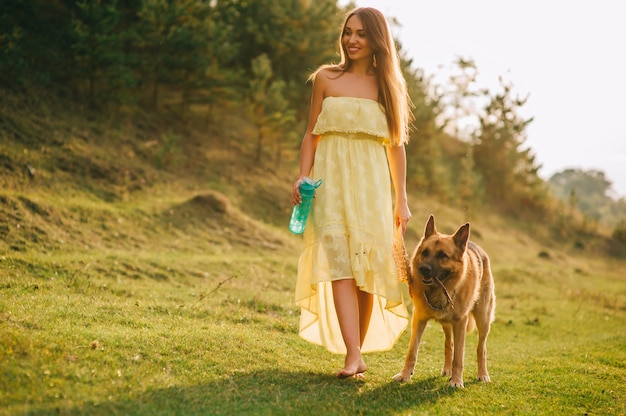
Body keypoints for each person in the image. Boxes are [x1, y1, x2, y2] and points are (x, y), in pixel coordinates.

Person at [291, 7, 413, 379]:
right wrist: (301, 176)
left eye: (360, 33)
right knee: (340, 264)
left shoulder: (387, 85)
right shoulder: (326, 78)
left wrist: (401, 198)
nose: (352, 39)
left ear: (377, 39)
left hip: (372, 185)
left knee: (366, 269)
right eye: (347, 32)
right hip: (331, 182)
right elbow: (312, 132)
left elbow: (396, 145)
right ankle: (353, 354)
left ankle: (355, 355)